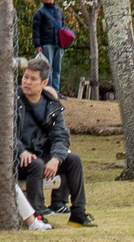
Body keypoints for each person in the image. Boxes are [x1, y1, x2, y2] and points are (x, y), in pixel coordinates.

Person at [13, 61, 96, 227]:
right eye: (25, 77)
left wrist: (56, 159)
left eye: (32, 79)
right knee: (35, 163)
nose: (27, 82)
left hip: (42, 155)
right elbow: (4, 134)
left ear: (44, 83)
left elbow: (61, 136)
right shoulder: (12, 102)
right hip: (17, 158)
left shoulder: (53, 106)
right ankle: (36, 215)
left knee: (74, 160)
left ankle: (78, 213)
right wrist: (21, 151)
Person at [31, 0, 77, 92]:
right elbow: (36, 30)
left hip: (58, 44)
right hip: (46, 43)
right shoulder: (39, 13)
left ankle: (56, 90)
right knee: (48, 68)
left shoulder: (59, 11)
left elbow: (62, 27)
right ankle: (48, 90)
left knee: (57, 69)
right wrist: (37, 44)